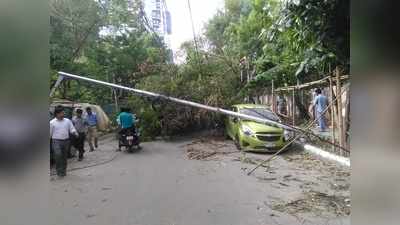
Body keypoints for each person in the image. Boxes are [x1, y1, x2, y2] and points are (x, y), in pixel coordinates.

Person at [50, 106, 78, 177]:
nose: (64, 113)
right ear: (57, 114)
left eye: (63, 112)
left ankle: (64, 171)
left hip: (66, 141)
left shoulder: (67, 121)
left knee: (64, 157)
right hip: (56, 141)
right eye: (62, 112)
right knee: (58, 155)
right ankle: (59, 171)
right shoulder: (52, 123)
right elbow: (49, 133)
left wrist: (75, 132)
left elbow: (72, 129)